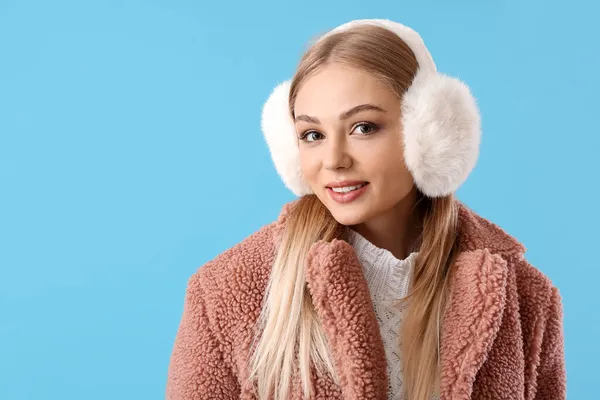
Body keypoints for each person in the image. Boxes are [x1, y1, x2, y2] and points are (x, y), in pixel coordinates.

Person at [165, 19, 566, 400]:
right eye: (312, 135)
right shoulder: (226, 293)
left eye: (364, 127)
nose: (334, 159)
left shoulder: (526, 299)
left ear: (430, 131)